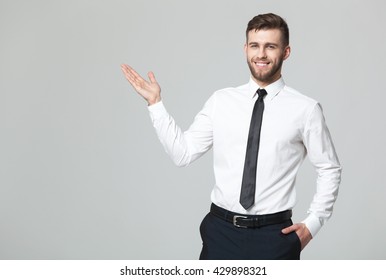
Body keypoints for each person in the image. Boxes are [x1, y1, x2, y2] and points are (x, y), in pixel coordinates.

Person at [121, 13, 341, 260]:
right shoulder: (221, 101)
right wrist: (155, 104)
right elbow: (182, 153)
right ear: (245, 49)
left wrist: (313, 224)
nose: (261, 54)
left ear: (286, 52)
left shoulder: (305, 109)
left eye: (271, 46)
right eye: (255, 46)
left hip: (274, 237)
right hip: (220, 232)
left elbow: (329, 168)